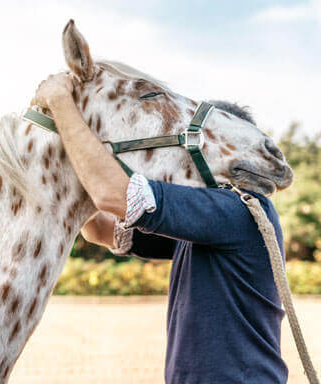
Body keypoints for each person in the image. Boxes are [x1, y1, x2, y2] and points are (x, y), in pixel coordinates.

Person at [31, 72, 288, 384]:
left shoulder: (236, 211)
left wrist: (61, 103)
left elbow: (112, 194)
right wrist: (79, 150)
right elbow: (97, 228)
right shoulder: (202, 230)